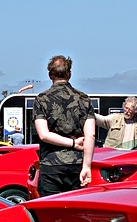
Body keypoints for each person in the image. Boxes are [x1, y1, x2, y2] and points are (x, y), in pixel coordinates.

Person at [33, 54, 94, 196]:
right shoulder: (83, 99)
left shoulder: (42, 99)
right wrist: (87, 166)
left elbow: (44, 134)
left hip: (51, 166)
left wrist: (72, 143)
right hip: (76, 165)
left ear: (50, 75)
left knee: (50, 211)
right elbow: (90, 134)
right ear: (70, 74)